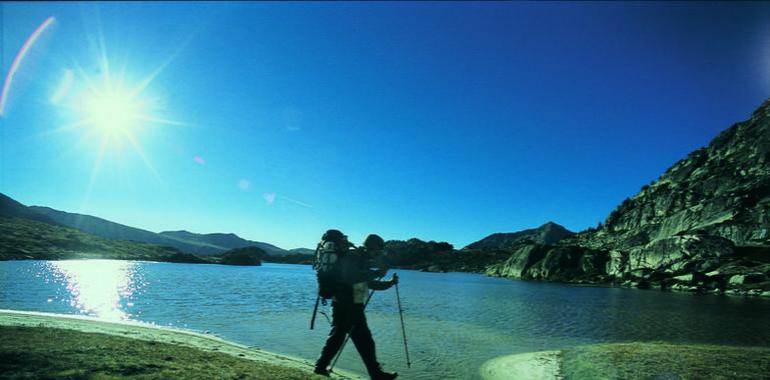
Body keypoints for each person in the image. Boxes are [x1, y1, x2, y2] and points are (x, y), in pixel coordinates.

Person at [314, 233, 398, 380]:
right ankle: (376, 374)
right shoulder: (353, 256)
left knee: (340, 338)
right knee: (362, 341)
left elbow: (366, 283)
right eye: (376, 251)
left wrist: (389, 283)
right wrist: (377, 273)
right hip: (345, 305)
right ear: (370, 247)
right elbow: (352, 277)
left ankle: (320, 367)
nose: (377, 254)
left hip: (349, 305)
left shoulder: (361, 259)